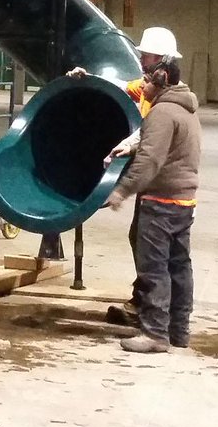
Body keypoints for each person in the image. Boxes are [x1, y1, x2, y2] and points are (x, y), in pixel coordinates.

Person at [67, 25, 183, 320]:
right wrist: (88, 78)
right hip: (158, 182)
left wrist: (122, 187)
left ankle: (153, 311)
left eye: (147, 56)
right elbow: (119, 86)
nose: (142, 61)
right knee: (150, 242)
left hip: (163, 183)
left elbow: (152, 140)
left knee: (151, 243)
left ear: (163, 62)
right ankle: (159, 307)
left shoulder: (168, 99)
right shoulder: (148, 87)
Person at [106, 57, 201, 353]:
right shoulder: (185, 108)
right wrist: (130, 146)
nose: (143, 85)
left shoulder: (161, 112)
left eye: (146, 80)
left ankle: (155, 333)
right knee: (178, 266)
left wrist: (122, 191)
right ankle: (178, 332)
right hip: (183, 200)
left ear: (160, 80)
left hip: (160, 201)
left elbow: (151, 159)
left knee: (154, 268)